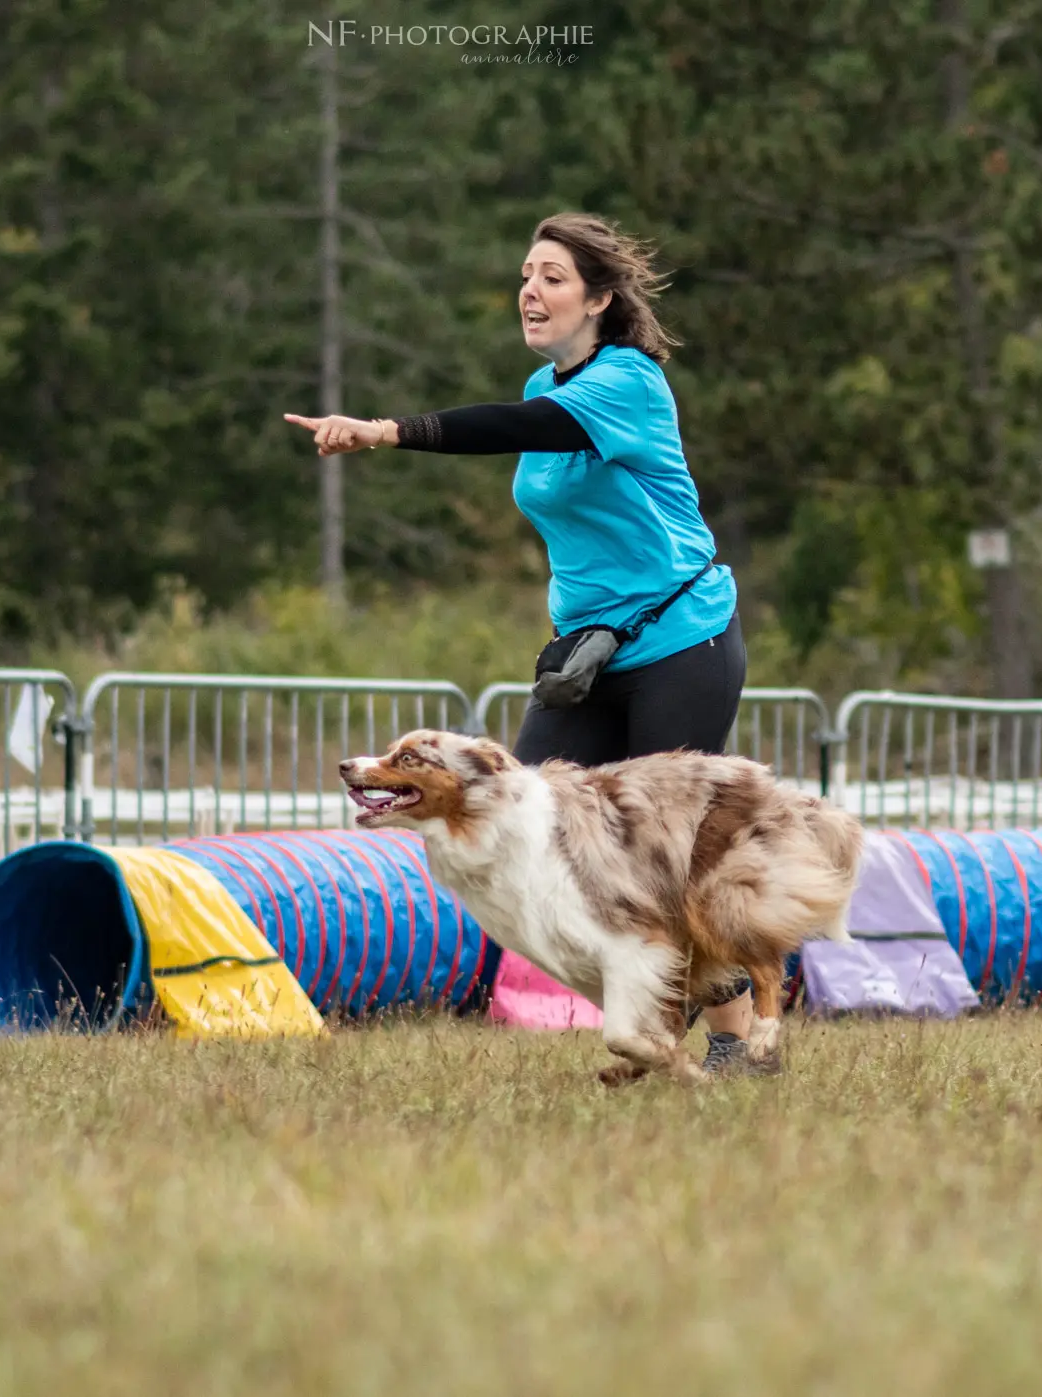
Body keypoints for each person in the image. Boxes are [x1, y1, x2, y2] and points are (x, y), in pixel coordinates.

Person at [285, 212, 762, 1076]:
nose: (530, 291)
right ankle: (654, 1010)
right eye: (525, 275)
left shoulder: (627, 383)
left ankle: (732, 1035)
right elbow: (530, 425)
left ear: (600, 297)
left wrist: (385, 430)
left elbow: (513, 425)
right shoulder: (550, 384)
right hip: (587, 656)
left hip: (681, 640)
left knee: (662, 856)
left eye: (552, 276)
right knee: (521, 817)